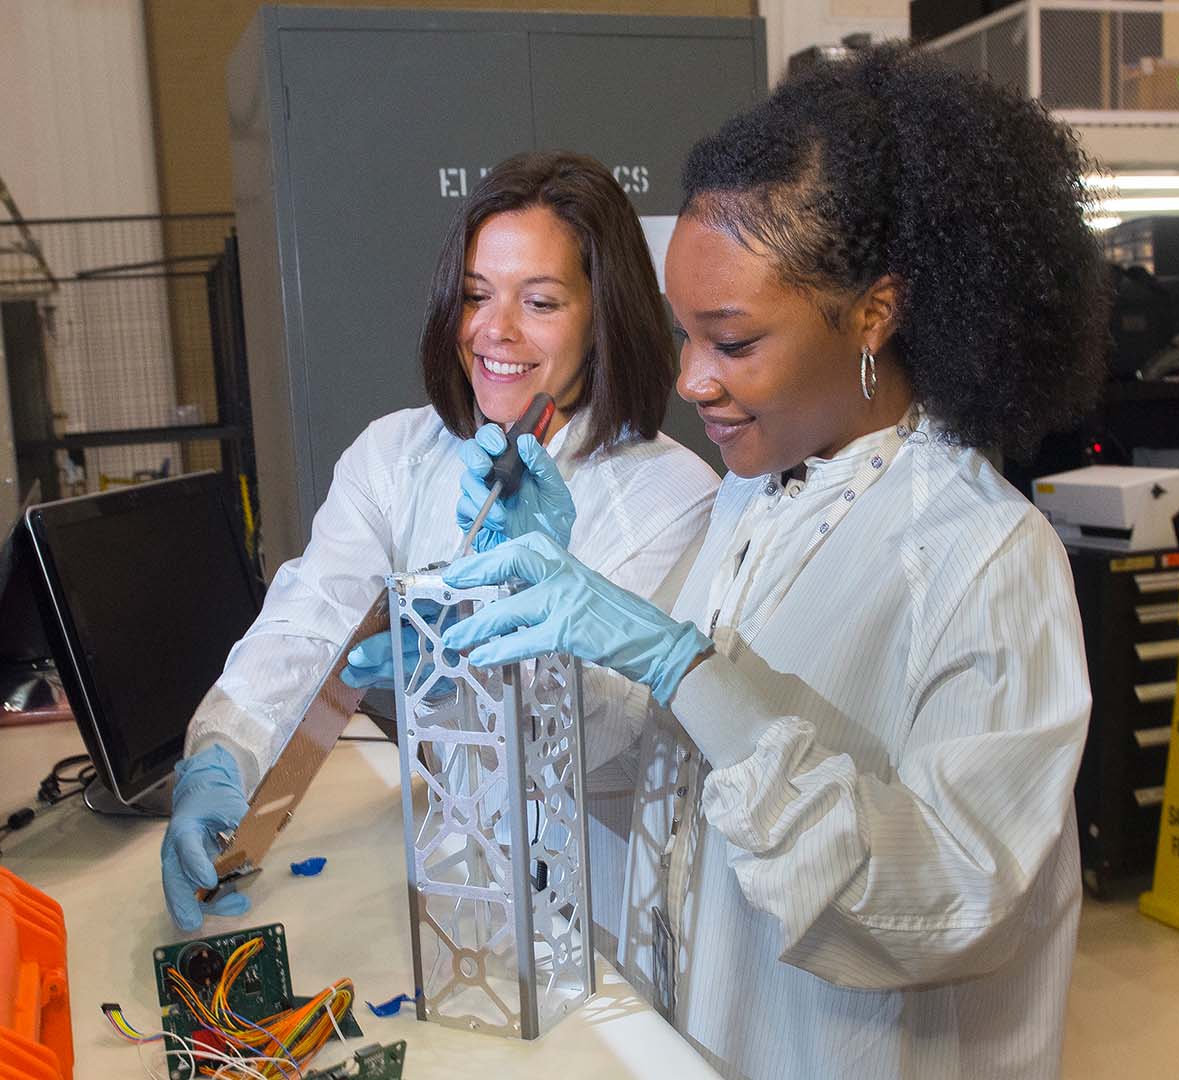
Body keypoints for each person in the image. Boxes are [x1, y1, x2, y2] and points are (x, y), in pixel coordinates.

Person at [439, 45, 1109, 1079]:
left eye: (734, 341)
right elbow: (672, 771)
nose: (692, 380)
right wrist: (562, 601)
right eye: (683, 335)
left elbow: (949, 904)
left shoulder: (979, 555)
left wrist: (689, 667)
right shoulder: (764, 489)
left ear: (873, 315)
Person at [160, 151, 720, 933]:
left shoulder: (672, 493)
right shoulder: (396, 457)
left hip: (601, 915)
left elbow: (618, 733)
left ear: (604, 314)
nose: (496, 330)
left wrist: (457, 675)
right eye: (476, 295)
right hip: (449, 887)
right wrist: (225, 754)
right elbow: (310, 618)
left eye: (542, 302)